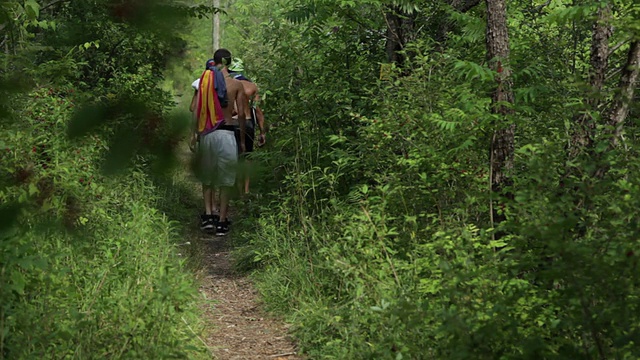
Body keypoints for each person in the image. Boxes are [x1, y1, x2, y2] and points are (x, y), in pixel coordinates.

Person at [190, 52, 247, 236]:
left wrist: (193, 135)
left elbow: (196, 110)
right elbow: (243, 116)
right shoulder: (236, 85)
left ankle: (208, 216)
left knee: (208, 177)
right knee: (226, 180)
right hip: (227, 132)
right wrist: (243, 141)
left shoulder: (203, 82)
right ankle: (222, 221)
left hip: (207, 133)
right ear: (229, 63)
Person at [228, 57, 266, 195]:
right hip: (248, 122)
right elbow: (258, 110)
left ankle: (236, 187)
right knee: (248, 156)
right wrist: (262, 132)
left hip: (231, 122)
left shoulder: (228, 85)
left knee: (234, 155)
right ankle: (246, 189)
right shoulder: (252, 87)